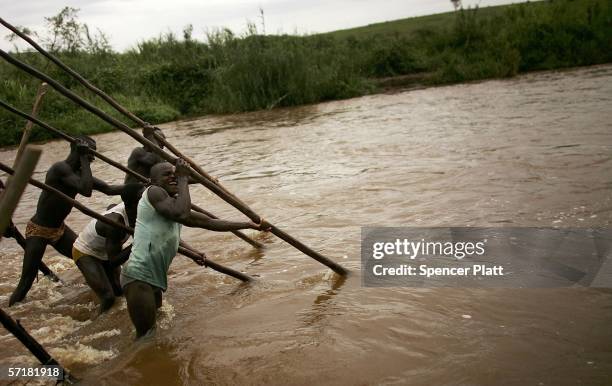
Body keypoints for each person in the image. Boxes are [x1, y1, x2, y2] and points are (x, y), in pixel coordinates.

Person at [121, 159, 269, 338]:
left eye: (174, 173)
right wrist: (183, 178)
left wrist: (247, 224)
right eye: (166, 174)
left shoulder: (170, 204)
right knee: (146, 337)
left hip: (153, 278)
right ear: (152, 181)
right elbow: (182, 214)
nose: (173, 177)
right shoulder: (154, 192)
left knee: (157, 329)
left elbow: (206, 222)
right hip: (139, 276)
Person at [8, 136, 125, 306]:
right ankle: (10, 313)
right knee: (25, 282)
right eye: (90, 152)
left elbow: (108, 189)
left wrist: (138, 187)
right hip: (39, 230)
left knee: (89, 255)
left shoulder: (79, 173)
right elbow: (86, 190)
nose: (93, 156)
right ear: (78, 149)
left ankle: (110, 292)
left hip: (60, 230)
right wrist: (84, 158)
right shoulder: (60, 169)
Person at [72, 183, 144, 313]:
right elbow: (114, 261)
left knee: (120, 292)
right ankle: (93, 327)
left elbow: (110, 207)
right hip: (85, 252)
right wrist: (139, 242)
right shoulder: (115, 223)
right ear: (132, 204)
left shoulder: (139, 210)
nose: (148, 199)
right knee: (108, 297)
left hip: (106, 251)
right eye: (143, 197)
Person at [0, 179, 59, 282]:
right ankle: (49, 275)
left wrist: (10, 225)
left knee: (27, 248)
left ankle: (49, 275)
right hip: (5, 221)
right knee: (26, 247)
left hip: (6, 222)